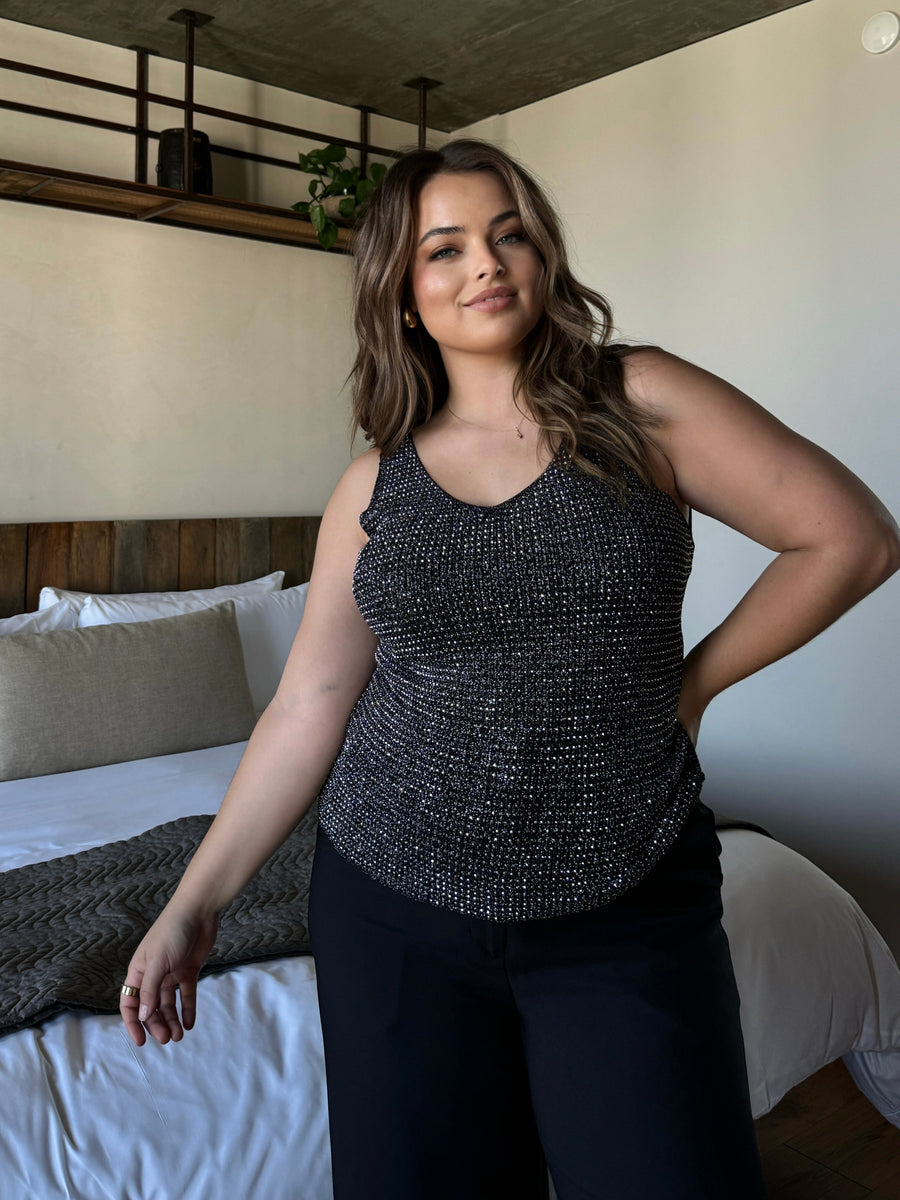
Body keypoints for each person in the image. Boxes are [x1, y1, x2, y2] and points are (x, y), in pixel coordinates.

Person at [120, 139, 899, 1200]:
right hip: (391, 905)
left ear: (542, 256)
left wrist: (692, 686)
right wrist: (194, 903)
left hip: (627, 898)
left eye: (508, 233)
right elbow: (308, 703)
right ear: (403, 296)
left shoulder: (638, 400)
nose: (485, 262)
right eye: (444, 249)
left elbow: (852, 538)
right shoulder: (372, 486)